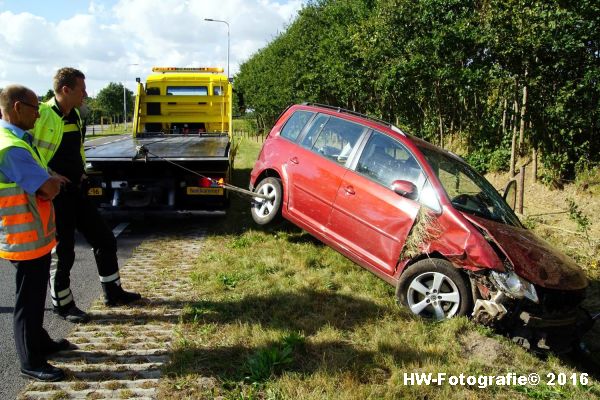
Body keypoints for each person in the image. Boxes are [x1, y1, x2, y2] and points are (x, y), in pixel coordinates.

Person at [31, 67, 141, 324]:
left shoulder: (76, 117)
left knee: (104, 238)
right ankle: (63, 304)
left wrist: (81, 173)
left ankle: (113, 293)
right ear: (65, 90)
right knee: (64, 251)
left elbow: (76, 149)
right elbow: (29, 153)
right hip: (54, 195)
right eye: (82, 89)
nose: (86, 94)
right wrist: (48, 175)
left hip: (76, 191)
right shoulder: (43, 115)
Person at [0, 85, 71, 381]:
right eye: (34, 107)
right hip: (24, 235)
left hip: (33, 234)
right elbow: (47, 187)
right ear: (17, 107)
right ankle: (31, 361)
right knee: (27, 301)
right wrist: (50, 183)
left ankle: (41, 343)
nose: (39, 112)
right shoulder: (12, 147)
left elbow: (44, 178)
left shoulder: (19, 140)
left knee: (34, 292)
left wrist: (48, 179)